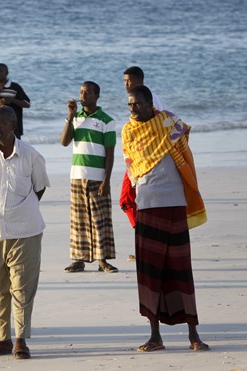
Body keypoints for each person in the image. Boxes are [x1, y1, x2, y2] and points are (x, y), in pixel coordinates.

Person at [122, 85, 209, 353]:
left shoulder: (169, 122)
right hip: (147, 205)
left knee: (182, 270)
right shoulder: (128, 131)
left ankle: (193, 333)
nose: (132, 108)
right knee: (150, 274)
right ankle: (155, 335)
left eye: (137, 104)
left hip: (174, 203)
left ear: (150, 104)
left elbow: (184, 141)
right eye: (129, 104)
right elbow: (131, 166)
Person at [0, 106, 49, 360]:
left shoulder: (31, 155)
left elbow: (39, 188)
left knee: (22, 288)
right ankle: (1, 339)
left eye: (1, 124)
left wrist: (19, 209)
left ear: (13, 125)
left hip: (25, 231)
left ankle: (20, 340)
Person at [60, 81, 118, 273]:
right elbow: (64, 142)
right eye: (81, 92)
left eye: (87, 92)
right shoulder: (75, 118)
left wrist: (106, 180)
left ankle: (102, 260)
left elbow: (110, 154)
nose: (83, 95)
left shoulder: (106, 121)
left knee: (100, 219)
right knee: (79, 220)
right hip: (77, 176)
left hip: (97, 177)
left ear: (96, 96)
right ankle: (79, 259)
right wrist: (69, 116)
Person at [121, 66, 168, 262]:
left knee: (129, 200)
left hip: (147, 160)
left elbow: (162, 125)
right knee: (130, 202)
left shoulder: (151, 100)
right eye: (124, 81)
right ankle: (143, 241)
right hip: (136, 159)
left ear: (139, 81)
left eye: (129, 81)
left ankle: (145, 243)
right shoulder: (134, 101)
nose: (126, 85)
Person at [0, 64, 31, 139]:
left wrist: (11, 100)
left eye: (0, 71)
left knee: (15, 150)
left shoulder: (14, 87)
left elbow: (27, 104)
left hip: (14, 129)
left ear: (6, 73)